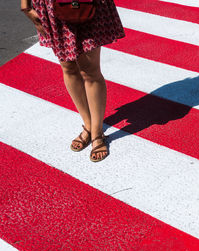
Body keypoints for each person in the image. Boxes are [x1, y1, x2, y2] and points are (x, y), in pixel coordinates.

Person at [20, 0, 125, 162]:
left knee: (90, 70)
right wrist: (25, 5)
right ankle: (88, 125)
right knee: (68, 67)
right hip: (49, 5)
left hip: (86, 2)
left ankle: (97, 133)